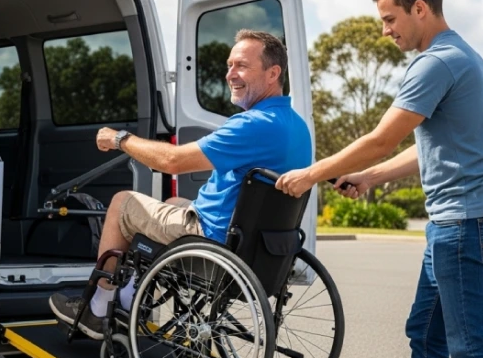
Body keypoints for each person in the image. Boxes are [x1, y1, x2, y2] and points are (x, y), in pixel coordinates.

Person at [276, 0, 483, 358]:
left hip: (466, 221)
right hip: (463, 219)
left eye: (390, 19)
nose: (385, 30)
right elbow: (430, 146)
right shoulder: (461, 55)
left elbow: (382, 138)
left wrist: (310, 174)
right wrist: (370, 176)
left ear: (420, 8)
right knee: (425, 332)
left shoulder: (436, 62)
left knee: (475, 348)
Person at [49, 29, 312, 340]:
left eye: (241, 66)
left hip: (215, 239)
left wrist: (120, 139)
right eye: (229, 65)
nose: (230, 74)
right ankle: (129, 297)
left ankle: (98, 306)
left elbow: (172, 161)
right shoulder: (297, 127)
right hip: (261, 247)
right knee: (172, 204)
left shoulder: (251, 126)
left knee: (123, 203)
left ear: (273, 73)